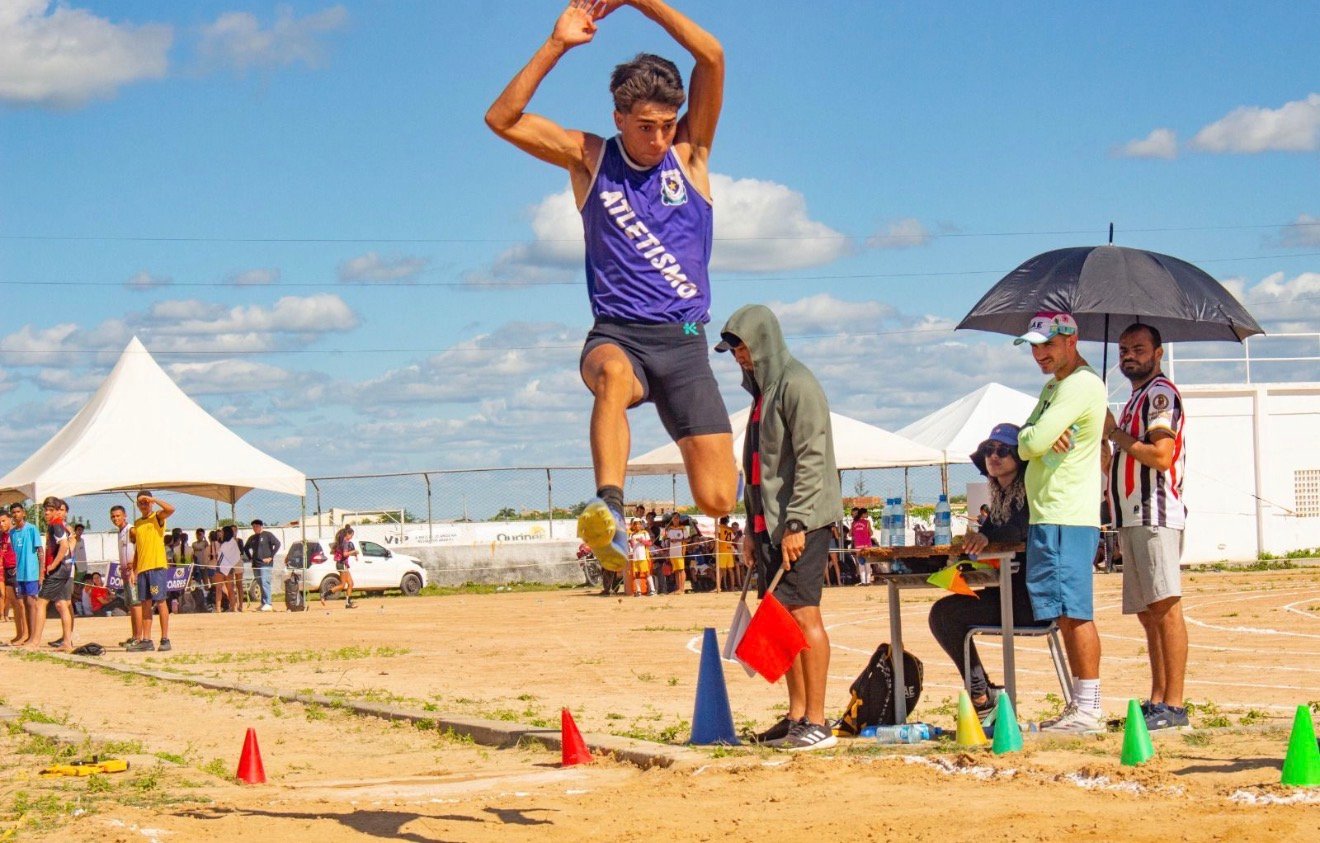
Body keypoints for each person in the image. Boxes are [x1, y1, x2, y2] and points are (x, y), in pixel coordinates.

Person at [486, 0, 736, 574]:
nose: (656, 137)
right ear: (620, 117)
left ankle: (655, 480)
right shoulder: (590, 157)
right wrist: (557, 45)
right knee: (615, 380)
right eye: (645, 126)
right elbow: (501, 118)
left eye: (666, 124)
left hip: (686, 343)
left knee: (718, 498)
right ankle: (610, 510)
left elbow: (712, 56)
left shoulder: (690, 157)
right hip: (617, 335)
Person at [718, 304, 843, 751]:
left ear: (763, 340)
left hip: (801, 523)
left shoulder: (798, 385)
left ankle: (818, 721)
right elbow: (757, 472)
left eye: (742, 348)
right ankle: (796, 718)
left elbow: (812, 457)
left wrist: (796, 522)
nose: (738, 357)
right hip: (769, 526)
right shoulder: (762, 396)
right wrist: (751, 530)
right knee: (781, 619)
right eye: (732, 351)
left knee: (804, 614)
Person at [1014, 311, 1108, 733]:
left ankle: (1088, 707)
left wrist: (1034, 436)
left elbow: (1030, 440)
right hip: (1051, 512)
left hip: (1066, 513)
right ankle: (1081, 704)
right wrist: (1033, 436)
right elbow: (1023, 440)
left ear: (1071, 340)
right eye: (1034, 346)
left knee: (1074, 610)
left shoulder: (1081, 384)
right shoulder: (1054, 386)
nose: (1039, 354)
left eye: (1047, 345)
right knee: (1065, 611)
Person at [928, 424, 1049, 719]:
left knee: (946, 614)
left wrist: (987, 539)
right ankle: (982, 693)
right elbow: (984, 538)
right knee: (944, 612)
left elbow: (1020, 527)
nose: (993, 456)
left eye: (1003, 450)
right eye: (988, 450)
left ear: (1020, 458)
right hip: (1006, 593)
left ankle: (982, 697)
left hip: (1030, 603)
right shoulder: (999, 499)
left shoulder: (1031, 492)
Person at [1105, 323, 1190, 731]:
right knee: (1147, 613)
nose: (1128, 355)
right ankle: (1157, 698)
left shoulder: (1160, 394)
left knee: (1165, 605)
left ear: (1158, 352)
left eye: (1138, 348)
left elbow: (1160, 455)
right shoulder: (1133, 399)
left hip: (1154, 511)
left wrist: (1116, 434)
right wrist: (1108, 440)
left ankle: (1174, 704)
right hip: (1132, 516)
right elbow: (1119, 461)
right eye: (1123, 349)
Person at [128, 491, 176, 652]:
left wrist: (154, 499)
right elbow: (137, 550)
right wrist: (134, 571)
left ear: (151, 503)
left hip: (157, 567)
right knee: (145, 603)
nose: (144, 505)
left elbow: (171, 509)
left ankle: (165, 638)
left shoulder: (157, 517)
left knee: (161, 601)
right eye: (140, 502)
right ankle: (147, 640)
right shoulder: (137, 524)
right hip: (142, 569)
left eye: (146, 502)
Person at [25, 498, 75, 652]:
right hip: (64, 569)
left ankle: (35, 642)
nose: (47, 512)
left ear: (57, 510)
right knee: (61, 604)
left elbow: (65, 545)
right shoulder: (57, 525)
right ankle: (67, 642)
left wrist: (53, 564)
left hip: (58, 570)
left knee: (41, 603)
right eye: (45, 509)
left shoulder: (56, 524)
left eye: (50, 509)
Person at [10, 503, 42, 648]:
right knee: (23, 604)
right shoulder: (13, 532)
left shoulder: (31, 529)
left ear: (23, 513)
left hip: (31, 572)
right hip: (20, 573)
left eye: (18, 511)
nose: (16, 514)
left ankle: (34, 637)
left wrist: (41, 573)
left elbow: (40, 551)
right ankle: (27, 635)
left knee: (32, 603)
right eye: (13, 512)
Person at [109, 504, 142, 649]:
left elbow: (140, 548)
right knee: (130, 605)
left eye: (118, 515)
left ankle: (139, 637)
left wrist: (134, 568)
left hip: (133, 573)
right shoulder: (120, 532)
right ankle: (135, 635)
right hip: (125, 573)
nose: (115, 518)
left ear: (125, 516)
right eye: (113, 516)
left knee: (136, 604)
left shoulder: (131, 530)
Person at [243, 519, 281, 612]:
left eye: (256, 526)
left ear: (261, 526)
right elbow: (246, 548)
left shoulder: (268, 535)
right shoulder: (252, 538)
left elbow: (277, 544)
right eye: (253, 527)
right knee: (260, 583)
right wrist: (250, 558)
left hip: (265, 564)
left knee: (265, 582)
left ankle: (268, 603)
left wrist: (271, 557)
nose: (254, 528)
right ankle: (263, 603)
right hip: (255, 564)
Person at [326, 525, 358, 608]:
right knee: (342, 585)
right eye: (351, 535)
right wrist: (354, 551)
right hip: (342, 564)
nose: (351, 537)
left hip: (343, 564)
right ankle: (325, 594)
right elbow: (344, 554)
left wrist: (353, 554)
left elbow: (340, 553)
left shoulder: (342, 541)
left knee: (351, 583)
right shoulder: (345, 542)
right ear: (348, 534)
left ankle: (348, 603)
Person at [1, 511, 20, 643]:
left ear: (10, 520)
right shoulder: (1, 536)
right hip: (6, 570)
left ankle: (26, 634)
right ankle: (19, 634)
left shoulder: (15, 533)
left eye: (3, 521)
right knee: (12, 600)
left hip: (16, 569)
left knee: (21, 603)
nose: (1, 524)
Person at [217, 526, 243, 611]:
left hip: (222, 567)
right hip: (230, 567)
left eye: (222, 532)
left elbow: (220, 556)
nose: (221, 533)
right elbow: (237, 555)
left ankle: (218, 609)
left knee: (219, 588)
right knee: (230, 588)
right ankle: (234, 607)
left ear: (225, 533)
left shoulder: (226, 544)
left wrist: (222, 564)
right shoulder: (233, 542)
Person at [663, 512, 688, 595]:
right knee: (676, 570)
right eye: (673, 518)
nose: (675, 520)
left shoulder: (683, 528)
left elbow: (688, 539)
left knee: (681, 570)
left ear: (679, 519)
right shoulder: (670, 528)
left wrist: (677, 540)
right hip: (672, 552)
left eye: (676, 518)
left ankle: (682, 588)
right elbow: (663, 538)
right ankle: (678, 588)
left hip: (680, 551)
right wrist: (665, 530)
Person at [851, 508, 874, 585]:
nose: (867, 515)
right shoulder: (867, 522)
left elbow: (850, 534)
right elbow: (871, 533)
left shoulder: (854, 523)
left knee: (861, 563)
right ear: (863, 514)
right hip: (867, 545)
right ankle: (868, 581)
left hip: (858, 545)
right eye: (866, 513)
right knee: (867, 563)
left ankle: (863, 581)